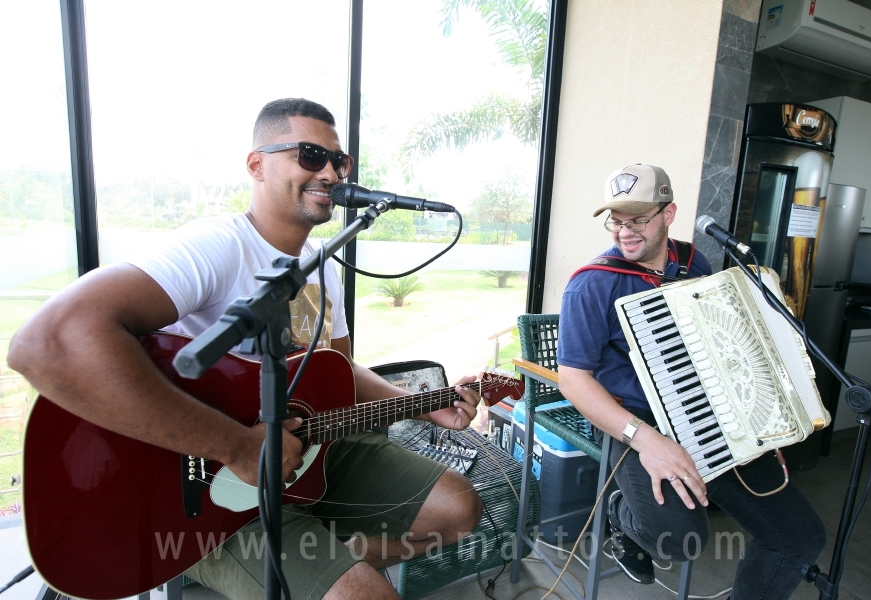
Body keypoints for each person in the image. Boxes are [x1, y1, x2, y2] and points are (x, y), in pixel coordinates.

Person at [9, 98, 483, 600]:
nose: (329, 171)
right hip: (205, 483)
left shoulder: (325, 269)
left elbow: (338, 371)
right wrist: (237, 447)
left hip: (313, 452)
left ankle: (317, 561)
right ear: (257, 164)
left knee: (458, 509)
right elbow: (47, 342)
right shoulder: (217, 247)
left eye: (338, 161)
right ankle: (286, 566)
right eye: (309, 155)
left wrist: (430, 405)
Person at [556, 164, 826, 598]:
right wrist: (647, 441)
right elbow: (572, 380)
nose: (624, 232)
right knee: (681, 540)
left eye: (639, 219)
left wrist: (757, 422)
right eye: (617, 221)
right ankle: (621, 513)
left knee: (799, 537)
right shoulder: (591, 285)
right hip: (631, 419)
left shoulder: (692, 262)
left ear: (669, 213)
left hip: (705, 411)